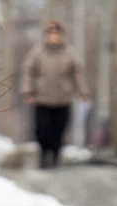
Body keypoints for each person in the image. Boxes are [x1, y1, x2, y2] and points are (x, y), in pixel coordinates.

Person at [21, 21, 89, 169]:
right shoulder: (37, 52)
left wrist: (83, 92)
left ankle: (56, 157)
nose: (54, 37)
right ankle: (44, 155)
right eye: (51, 34)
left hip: (63, 99)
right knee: (43, 131)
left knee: (59, 131)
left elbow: (78, 73)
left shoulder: (69, 52)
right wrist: (29, 91)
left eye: (57, 34)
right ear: (47, 35)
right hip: (42, 99)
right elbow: (28, 71)